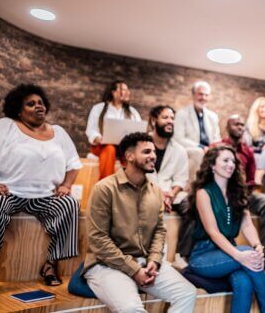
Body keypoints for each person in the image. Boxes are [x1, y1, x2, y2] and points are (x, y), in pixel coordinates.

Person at [84, 132, 196, 312]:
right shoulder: (104, 189)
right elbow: (98, 239)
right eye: (146, 152)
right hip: (106, 265)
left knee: (187, 293)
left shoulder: (156, 192)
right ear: (129, 156)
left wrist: (154, 260)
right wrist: (134, 270)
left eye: (153, 152)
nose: (153, 156)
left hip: (144, 262)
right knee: (132, 309)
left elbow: (160, 231)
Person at [0, 84, 81, 286]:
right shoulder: (5, 126)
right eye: (31, 104)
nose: (39, 106)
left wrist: (67, 185)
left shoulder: (59, 132)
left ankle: (50, 265)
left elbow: (74, 164)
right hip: (9, 193)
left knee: (70, 205)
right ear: (18, 109)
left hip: (46, 197)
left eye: (41, 103)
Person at [186, 145, 265, 313]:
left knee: (244, 282)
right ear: (212, 165)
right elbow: (213, 232)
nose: (231, 164)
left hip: (229, 252)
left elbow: (247, 224)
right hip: (203, 256)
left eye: (233, 161)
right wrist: (240, 255)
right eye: (225, 160)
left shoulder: (237, 191)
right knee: (246, 252)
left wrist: (258, 247)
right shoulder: (203, 193)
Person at [213, 114, 265, 263]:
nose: (240, 127)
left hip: (244, 193)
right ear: (227, 127)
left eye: (242, 125)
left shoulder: (247, 151)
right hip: (221, 193)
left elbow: (251, 179)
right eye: (236, 124)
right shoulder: (217, 147)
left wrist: (243, 194)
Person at [85, 80, 142, 179]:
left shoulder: (133, 112)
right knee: (109, 149)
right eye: (123, 89)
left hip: (124, 148)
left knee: (130, 153)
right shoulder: (99, 108)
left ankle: (131, 184)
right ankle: (105, 187)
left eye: (127, 90)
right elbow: (91, 130)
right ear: (113, 92)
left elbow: (140, 132)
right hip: (103, 146)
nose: (127, 92)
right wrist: (99, 138)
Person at [174, 81, 221, 182]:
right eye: (200, 94)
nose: (203, 97)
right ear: (193, 95)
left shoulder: (213, 116)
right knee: (198, 153)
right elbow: (178, 138)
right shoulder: (182, 114)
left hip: (209, 150)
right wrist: (202, 147)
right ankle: (192, 186)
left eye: (206, 95)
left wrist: (213, 148)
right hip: (190, 149)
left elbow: (217, 138)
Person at [146, 105, 189, 212]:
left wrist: (171, 194)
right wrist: (158, 194)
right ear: (153, 121)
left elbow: (181, 180)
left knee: (190, 203)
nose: (170, 121)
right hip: (145, 192)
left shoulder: (180, 150)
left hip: (170, 195)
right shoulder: (141, 145)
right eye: (165, 118)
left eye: (172, 118)